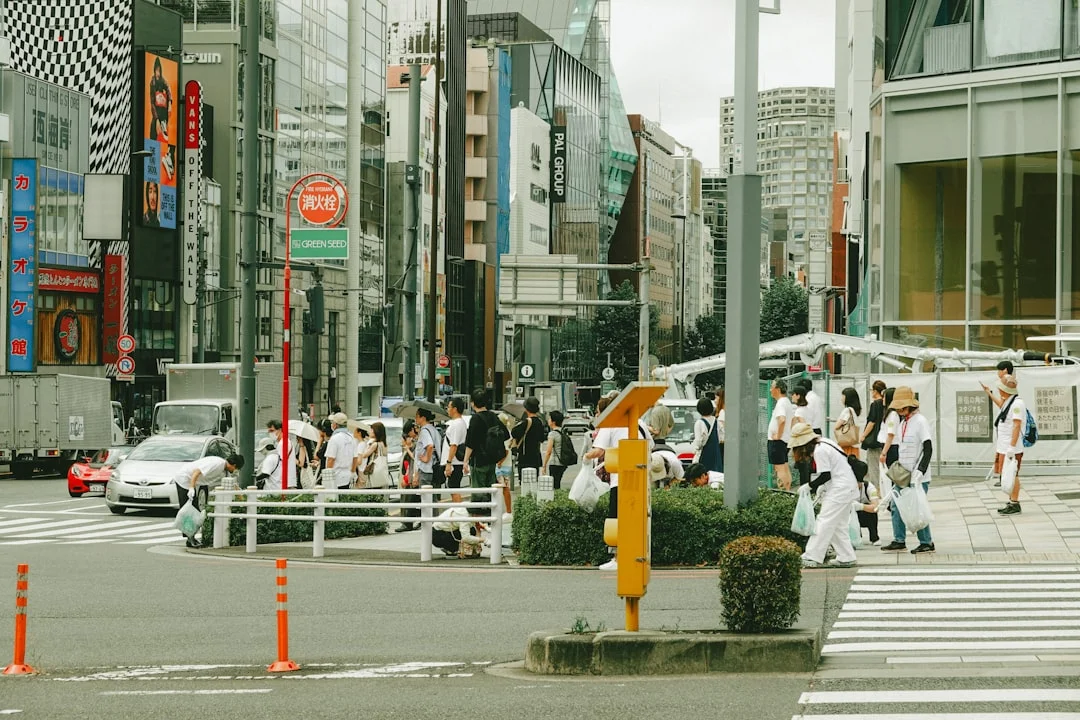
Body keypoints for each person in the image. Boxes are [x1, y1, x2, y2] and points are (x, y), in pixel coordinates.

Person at [584, 396, 654, 570]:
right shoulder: (639, 422)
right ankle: (638, 556)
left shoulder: (612, 423)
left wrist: (585, 457)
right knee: (637, 518)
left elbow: (598, 450)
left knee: (617, 519)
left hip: (621, 479)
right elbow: (650, 444)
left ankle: (618, 558)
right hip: (642, 478)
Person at [789, 424, 859, 569]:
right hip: (846, 486)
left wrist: (810, 486)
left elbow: (825, 475)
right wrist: (820, 486)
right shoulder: (826, 443)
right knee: (837, 524)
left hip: (839, 489)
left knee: (824, 521)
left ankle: (811, 556)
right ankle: (846, 556)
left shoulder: (819, 451)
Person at [881, 386, 935, 555]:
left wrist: (920, 470)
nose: (898, 410)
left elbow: (928, 447)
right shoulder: (904, 421)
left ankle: (926, 542)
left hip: (918, 475)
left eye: (901, 407)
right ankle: (899, 540)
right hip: (904, 473)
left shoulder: (920, 421)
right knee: (896, 505)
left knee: (917, 508)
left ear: (909, 406)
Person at [173, 452, 244, 548]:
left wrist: (242, 500)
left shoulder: (225, 471)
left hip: (192, 482)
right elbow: (196, 472)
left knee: (194, 511)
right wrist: (191, 487)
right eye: (236, 469)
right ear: (234, 465)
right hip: (184, 479)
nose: (235, 471)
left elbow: (233, 485)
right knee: (190, 512)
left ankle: (190, 538)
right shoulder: (217, 464)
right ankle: (190, 539)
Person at [463, 388, 509, 493]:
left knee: (479, 492)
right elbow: (506, 435)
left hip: (478, 461)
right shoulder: (493, 416)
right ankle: (489, 509)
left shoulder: (475, 419)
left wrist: (465, 461)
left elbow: (471, 442)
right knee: (490, 492)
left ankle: (480, 509)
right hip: (492, 460)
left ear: (473, 403)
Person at [994, 374, 1026, 515]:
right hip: (1004, 445)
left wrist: (1012, 447)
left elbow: (1017, 425)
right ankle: (1011, 500)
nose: (999, 390)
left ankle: (1015, 503)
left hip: (1011, 446)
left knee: (1013, 474)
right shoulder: (1009, 401)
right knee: (1006, 474)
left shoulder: (1017, 403)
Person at [430, 493, 483, 557]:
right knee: (470, 533)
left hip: (439, 530)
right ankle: (452, 549)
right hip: (438, 535)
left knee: (472, 530)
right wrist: (484, 540)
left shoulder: (467, 506)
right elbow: (466, 538)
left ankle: (457, 549)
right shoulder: (464, 517)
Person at [511, 397, 546, 484]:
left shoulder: (526, 422)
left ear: (526, 409)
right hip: (536, 456)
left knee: (524, 481)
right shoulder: (540, 422)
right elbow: (542, 438)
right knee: (534, 480)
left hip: (525, 456)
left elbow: (514, 433)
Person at [767, 379, 794, 491]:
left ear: (777, 389)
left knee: (779, 468)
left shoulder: (781, 403)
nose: (770, 390)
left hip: (777, 441)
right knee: (785, 466)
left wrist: (778, 435)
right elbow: (792, 421)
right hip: (785, 440)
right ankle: (788, 490)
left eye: (772, 387)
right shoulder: (787, 402)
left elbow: (782, 420)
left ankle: (784, 492)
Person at [860, 380, 887, 490]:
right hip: (884, 440)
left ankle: (876, 489)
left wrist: (863, 435)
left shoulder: (875, 404)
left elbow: (872, 422)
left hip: (874, 440)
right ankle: (884, 487)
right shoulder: (887, 404)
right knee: (883, 466)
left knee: (873, 466)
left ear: (875, 391)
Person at [323, 412, 357, 491]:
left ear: (335, 425)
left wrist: (327, 477)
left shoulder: (334, 439)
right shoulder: (352, 438)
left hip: (336, 477)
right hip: (348, 476)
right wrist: (353, 472)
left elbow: (331, 459)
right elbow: (355, 457)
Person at [442, 397, 468, 490]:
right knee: (453, 488)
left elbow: (454, 445)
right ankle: (456, 505)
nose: (447, 409)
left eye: (449, 407)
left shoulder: (456, 424)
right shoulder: (460, 423)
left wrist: (448, 462)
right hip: (456, 461)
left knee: (454, 489)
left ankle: (457, 505)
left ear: (455, 409)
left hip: (455, 462)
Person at [692, 397, 723, 473]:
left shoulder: (699, 423)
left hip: (704, 455)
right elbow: (721, 438)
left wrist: (695, 449)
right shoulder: (717, 421)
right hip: (715, 454)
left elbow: (698, 442)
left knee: (703, 476)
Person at [542, 410, 570, 490]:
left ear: (553, 422)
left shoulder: (552, 434)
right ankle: (558, 499)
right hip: (562, 463)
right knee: (557, 484)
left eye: (549, 419)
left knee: (554, 486)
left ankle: (555, 500)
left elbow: (548, 452)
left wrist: (544, 466)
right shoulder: (563, 432)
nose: (548, 420)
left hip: (554, 463)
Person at [147, 56, 172, 142]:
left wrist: (169, 103)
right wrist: (156, 118)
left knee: (163, 133)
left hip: (163, 110)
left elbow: (168, 89)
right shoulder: (152, 82)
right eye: (156, 70)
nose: (158, 72)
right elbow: (152, 101)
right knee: (154, 131)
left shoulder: (163, 80)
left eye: (159, 70)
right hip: (156, 110)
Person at [834, 387, 863, 457]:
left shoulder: (847, 410)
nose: (841, 398)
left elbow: (837, 426)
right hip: (854, 444)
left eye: (843, 396)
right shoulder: (855, 410)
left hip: (846, 444)